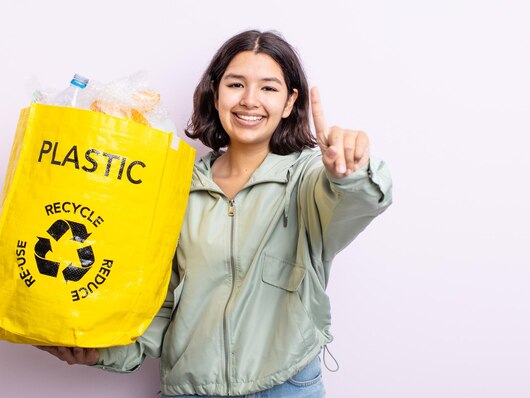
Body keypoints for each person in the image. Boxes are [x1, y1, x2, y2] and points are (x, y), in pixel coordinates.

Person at [38, 29, 392, 397]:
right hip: (192, 390)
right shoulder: (178, 185)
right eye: (236, 84)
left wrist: (350, 172)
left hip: (285, 386)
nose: (250, 100)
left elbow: (358, 200)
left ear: (289, 102)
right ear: (215, 93)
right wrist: (102, 353)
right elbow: (164, 305)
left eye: (269, 88)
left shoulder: (307, 180)